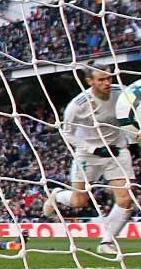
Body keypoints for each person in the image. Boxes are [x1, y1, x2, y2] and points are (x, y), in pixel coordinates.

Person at [42, 66, 136, 257]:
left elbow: (136, 112)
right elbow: (67, 133)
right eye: (101, 79)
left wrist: (133, 140)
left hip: (116, 152)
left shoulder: (123, 93)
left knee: (126, 199)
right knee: (79, 202)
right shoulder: (78, 105)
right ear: (90, 82)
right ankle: (57, 195)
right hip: (88, 155)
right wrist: (93, 148)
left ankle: (107, 242)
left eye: (108, 78)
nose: (107, 82)